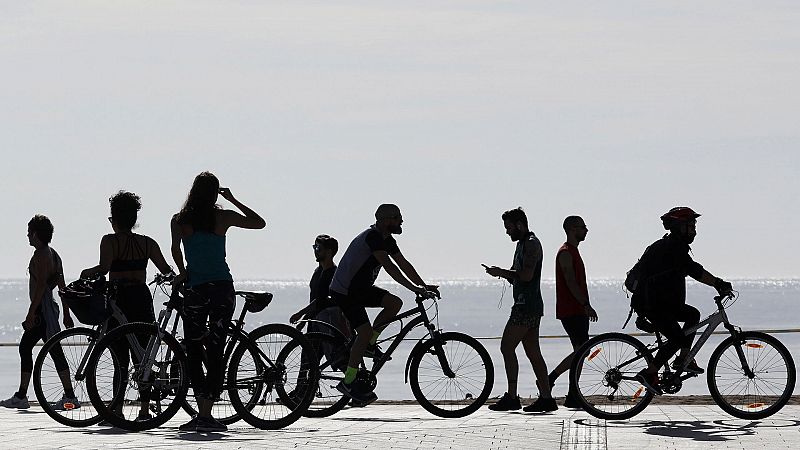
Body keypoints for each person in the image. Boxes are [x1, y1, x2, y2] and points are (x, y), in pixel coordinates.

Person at [171, 172, 265, 432]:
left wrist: (182, 272)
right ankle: (207, 413)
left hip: (196, 290)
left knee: (193, 347)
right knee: (215, 348)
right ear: (214, 193)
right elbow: (259, 223)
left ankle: (202, 411)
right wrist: (233, 199)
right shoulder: (222, 216)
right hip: (222, 288)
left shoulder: (179, 220)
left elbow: (175, 249)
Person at [79, 191, 174, 420]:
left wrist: (85, 273)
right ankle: (143, 409)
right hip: (141, 298)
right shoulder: (148, 243)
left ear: (114, 218)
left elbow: (104, 268)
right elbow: (166, 270)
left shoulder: (109, 241)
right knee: (143, 356)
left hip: (118, 300)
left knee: (118, 356)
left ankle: (116, 410)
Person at [330, 204, 438, 405]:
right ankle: (348, 380)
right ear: (385, 220)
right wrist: (415, 289)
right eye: (398, 217)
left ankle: (370, 343)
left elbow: (403, 264)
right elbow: (389, 267)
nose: (402, 221)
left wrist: (423, 285)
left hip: (359, 289)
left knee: (394, 303)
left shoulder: (388, 240)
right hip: (345, 291)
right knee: (362, 332)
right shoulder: (373, 237)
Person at [631, 207, 733, 394]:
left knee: (693, 314)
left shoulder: (673, 245)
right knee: (677, 338)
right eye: (691, 225)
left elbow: (690, 269)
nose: (694, 230)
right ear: (679, 227)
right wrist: (718, 283)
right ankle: (650, 373)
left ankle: (683, 360)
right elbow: (694, 270)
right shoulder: (671, 248)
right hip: (653, 305)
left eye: (694, 225)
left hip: (664, 304)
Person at [484, 207, 557, 413]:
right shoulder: (522, 244)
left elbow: (525, 276)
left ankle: (513, 396)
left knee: (507, 347)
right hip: (529, 305)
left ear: (519, 225)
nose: (507, 232)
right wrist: (500, 273)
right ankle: (546, 397)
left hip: (527, 306)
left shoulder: (532, 244)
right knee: (533, 352)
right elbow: (517, 274)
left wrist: (502, 272)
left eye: (508, 228)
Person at [1, 215, 76, 410]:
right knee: (37, 348)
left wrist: (30, 314)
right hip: (49, 310)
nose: (27, 236)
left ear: (35, 234)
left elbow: (42, 286)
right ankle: (24, 395)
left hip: (42, 310)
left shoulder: (41, 255)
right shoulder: (54, 253)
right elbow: (62, 286)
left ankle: (28, 396)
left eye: (29, 232)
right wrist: (66, 314)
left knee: (31, 348)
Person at [547, 216, 597, 408]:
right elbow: (570, 282)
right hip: (571, 310)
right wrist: (585, 304)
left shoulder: (574, 251)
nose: (586, 230)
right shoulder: (566, 253)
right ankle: (556, 381)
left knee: (581, 351)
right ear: (571, 229)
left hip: (577, 309)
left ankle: (572, 393)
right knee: (582, 351)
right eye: (582, 227)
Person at [290, 234, 350, 337]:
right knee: (309, 353)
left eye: (318, 248)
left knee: (331, 352)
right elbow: (316, 299)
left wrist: (300, 314)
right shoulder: (318, 272)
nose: (315, 251)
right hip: (315, 320)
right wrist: (305, 320)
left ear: (329, 252)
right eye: (314, 247)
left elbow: (321, 301)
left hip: (329, 322)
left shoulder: (333, 274)